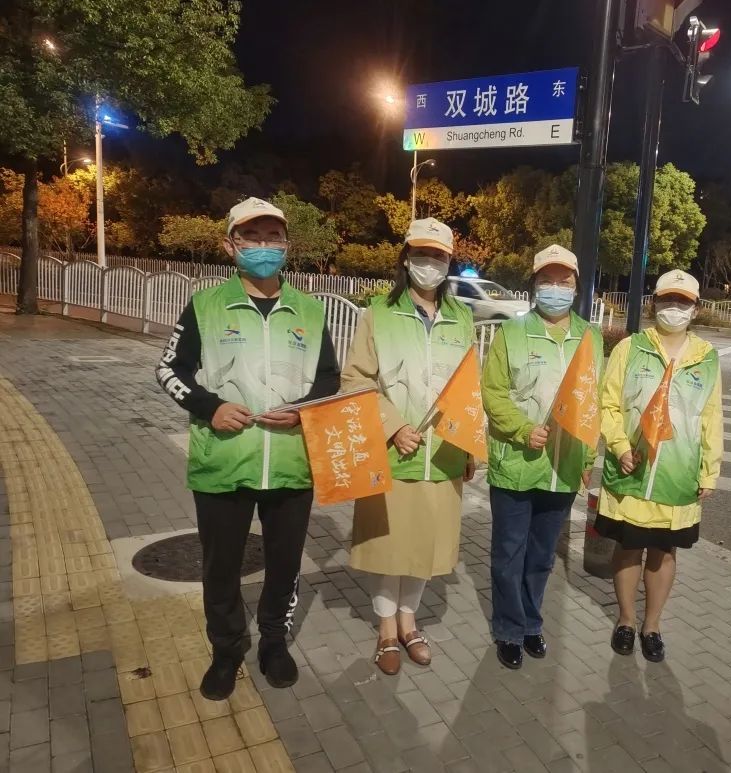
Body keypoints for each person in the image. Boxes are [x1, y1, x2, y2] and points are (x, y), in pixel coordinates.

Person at [156, 197, 340, 700]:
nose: (264, 246)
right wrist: (210, 406)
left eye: (273, 237)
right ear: (230, 245)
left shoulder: (310, 310)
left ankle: (274, 642)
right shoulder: (205, 306)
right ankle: (227, 648)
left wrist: (302, 409)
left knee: (284, 565)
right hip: (223, 460)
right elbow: (168, 369)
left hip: (291, 462)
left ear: (287, 245)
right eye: (251, 236)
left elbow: (329, 378)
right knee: (221, 567)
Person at [340, 218, 475, 675]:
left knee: (423, 547)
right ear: (405, 258)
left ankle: (409, 622)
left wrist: (471, 447)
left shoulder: (461, 318)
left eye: (438, 256)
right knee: (389, 548)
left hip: (444, 454)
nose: (429, 263)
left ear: (448, 262)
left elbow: (468, 387)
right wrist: (393, 425)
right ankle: (385, 630)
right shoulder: (378, 313)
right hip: (394, 453)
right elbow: (355, 378)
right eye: (421, 254)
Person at [481, 245, 603, 670]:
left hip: (562, 466)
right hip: (516, 462)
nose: (555, 288)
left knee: (542, 555)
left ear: (576, 287)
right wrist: (521, 428)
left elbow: (592, 402)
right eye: (546, 280)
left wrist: (587, 459)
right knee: (508, 553)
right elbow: (493, 392)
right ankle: (508, 629)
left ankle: (532, 621)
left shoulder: (591, 337)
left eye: (563, 281)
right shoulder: (511, 333)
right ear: (534, 285)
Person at [597, 270, 723, 663]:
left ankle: (652, 626)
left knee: (664, 552)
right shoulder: (630, 348)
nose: (674, 308)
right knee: (628, 548)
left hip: (677, 474)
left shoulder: (707, 358)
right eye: (668, 299)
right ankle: (626, 620)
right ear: (654, 304)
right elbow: (607, 403)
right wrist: (620, 447)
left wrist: (710, 470)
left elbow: (711, 416)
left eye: (683, 302)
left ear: (696, 309)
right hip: (631, 469)